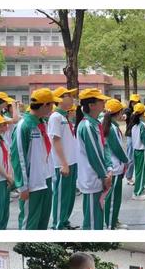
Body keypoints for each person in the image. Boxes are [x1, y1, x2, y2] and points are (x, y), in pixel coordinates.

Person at [10, 88, 59, 229]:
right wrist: (22, 186)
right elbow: (18, 157)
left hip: (46, 179)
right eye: (51, 105)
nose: (52, 108)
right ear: (45, 105)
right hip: (32, 184)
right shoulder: (23, 126)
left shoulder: (42, 122)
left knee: (43, 222)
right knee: (29, 223)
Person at [75, 88, 112, 230]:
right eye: (100, 101)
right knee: (91, 223)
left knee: (97, 219)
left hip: (98, 177)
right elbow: (94, 154)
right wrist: (104, 175)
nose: (104, 103)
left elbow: (104, 148)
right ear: (91, 105)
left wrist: (109, 169)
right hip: (93, 178)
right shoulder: (87, 126)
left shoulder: (95, 124)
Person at [48, 87, 79, 230]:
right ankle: (58, 225)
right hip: (63, 164)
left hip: (71, 162)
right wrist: (64, 163)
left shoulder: (64, 117)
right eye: (69, 96)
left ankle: (65, 220)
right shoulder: (55, 117)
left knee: (69, 195)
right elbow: (56, 140)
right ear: (60, 99)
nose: (72, 98)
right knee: (61, 195)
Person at [101, 98, 129, 229]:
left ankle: (113, 221)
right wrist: (126, 160)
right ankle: (111, 225)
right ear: (118, 113)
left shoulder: (110, 125)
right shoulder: (111, 128)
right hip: (115, 167)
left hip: (115, 166)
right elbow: (116, 148)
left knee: (114, 198)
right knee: (112, 199)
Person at [129, 102, 145, 201]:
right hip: (142, 151)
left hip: (136, 151)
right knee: (141, 172)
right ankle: (137, 193)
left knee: (138, 171)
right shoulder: (142, 125)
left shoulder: (133, 125)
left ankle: (140, 188)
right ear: (142, 113)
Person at [124, 94, 140, 184]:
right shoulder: (128, 110)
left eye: (136, 102)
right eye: (133, 102)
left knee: (138, 156)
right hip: (130, 135)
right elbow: (126, 114)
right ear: (130, 102)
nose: (134, 104)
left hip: (138, 136)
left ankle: (139, 176)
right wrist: (125, 116)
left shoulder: (139, 110)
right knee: (130, 157)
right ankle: (129, 177)